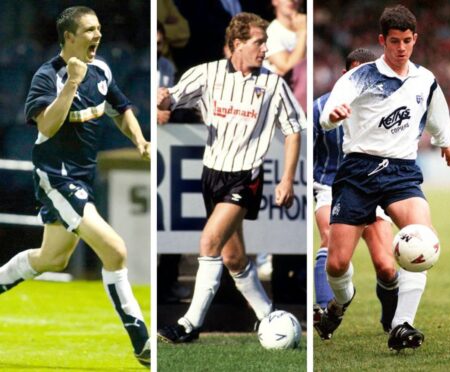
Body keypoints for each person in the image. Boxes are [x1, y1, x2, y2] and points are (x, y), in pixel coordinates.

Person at [0, 6, 151, 366]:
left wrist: (140, 140)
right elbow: (46, 127)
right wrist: (70, 83)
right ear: (69, 37)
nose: (98, 35)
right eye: (88, 30)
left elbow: (122, 107)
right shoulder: (46, 76)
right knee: (115, 250)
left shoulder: (101, 70)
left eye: (99, 28)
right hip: (56, 176)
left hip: (81, 177)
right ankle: (144, 344)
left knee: (51, 258)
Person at [315, 5, 450, 351]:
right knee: (336, 264)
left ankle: (401, 324)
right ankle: (339, 303)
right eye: (394, 41)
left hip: (401, 171)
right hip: (358, 170)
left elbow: (437, 113)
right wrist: (333, 116)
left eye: (407, 41)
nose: (401, 48)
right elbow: (329, 114)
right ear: (382, 40)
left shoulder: (425, 79)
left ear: (415, 39)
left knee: (422, 239)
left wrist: (445, 144)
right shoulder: (359, 77)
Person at [156, 12, 305, 343]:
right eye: (259, 42)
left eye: (265, 42)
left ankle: (189, 325)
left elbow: (294, 130)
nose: (265, 49)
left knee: (209, 241)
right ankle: (270, 316)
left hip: (245, 178)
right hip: (211, 175)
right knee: (233, 257)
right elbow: (173, 97)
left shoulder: (272, 84)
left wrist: (287, 179)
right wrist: (161, 100)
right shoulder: (207, 74)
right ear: (237, 44)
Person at [313, 48, 399, 334]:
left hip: (373, 188)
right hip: (329, 187)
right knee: (329, 239)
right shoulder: (319, 108)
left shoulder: (385, 107)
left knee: (387, 267)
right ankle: (328, 307)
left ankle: (390, 320)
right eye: (356, 75)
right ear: (344, 76)